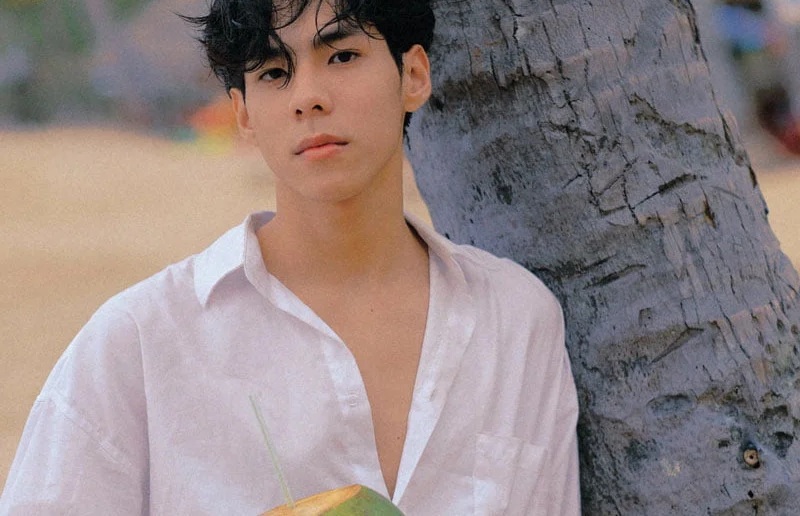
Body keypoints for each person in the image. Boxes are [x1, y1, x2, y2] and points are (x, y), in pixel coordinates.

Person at [0, 0, 580, 513]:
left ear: (413, 75)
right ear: (244, 113)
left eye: (343, 56)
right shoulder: (139, 344)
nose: (308, 98)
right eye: (275, 73)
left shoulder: (515, 320)